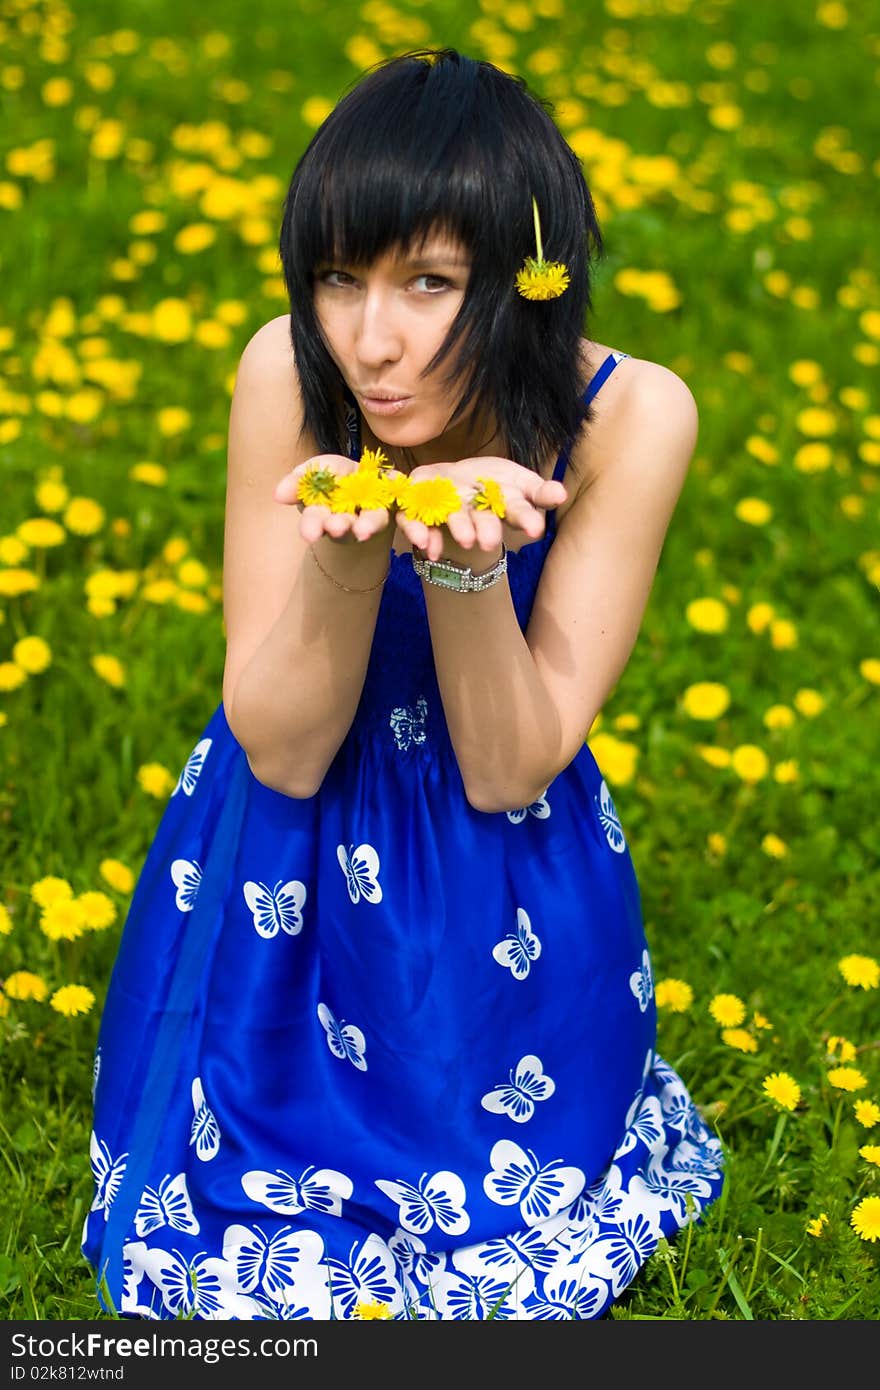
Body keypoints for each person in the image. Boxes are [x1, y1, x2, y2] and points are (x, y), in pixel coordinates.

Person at [82, 47, 724, 1322]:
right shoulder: (287, 371)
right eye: (337, 277)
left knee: (486, 1186)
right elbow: (278, 748)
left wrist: (468, 572)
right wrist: (352, 550)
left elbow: (509, 763)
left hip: (497, 868)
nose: (370, 342)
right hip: (286, 849)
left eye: (429, 284)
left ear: (527, 278)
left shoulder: (630, 417)